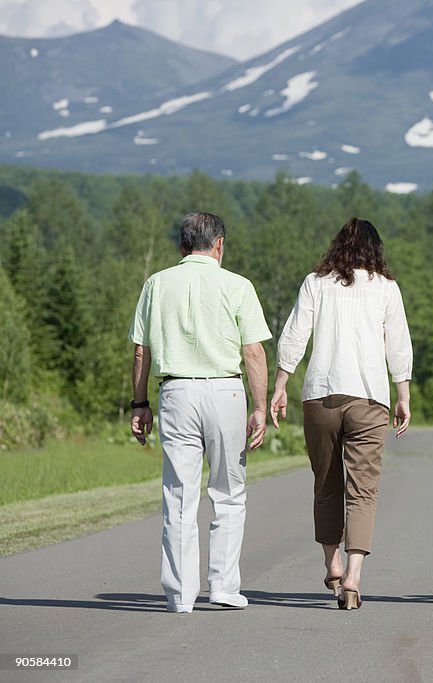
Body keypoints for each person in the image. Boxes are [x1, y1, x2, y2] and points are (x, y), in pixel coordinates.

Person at [129, 211, 271, 614]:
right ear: (220, 244)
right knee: (228, 492)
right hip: (225, 390)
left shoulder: (156, 284)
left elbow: (142, 350)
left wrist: (139, 403)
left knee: (179, 494)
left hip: (175, 391)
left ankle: (179, 594)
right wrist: (259, 407)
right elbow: (253, 351)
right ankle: (224, 587)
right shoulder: (238, 285)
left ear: (182, 245)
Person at [270, 218, 412, 610]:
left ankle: (331, 562)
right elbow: (397, 343)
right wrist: (403, 393)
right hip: (369, 398)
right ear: (376, 250)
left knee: (325, 482)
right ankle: (353, 575)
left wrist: (280, 384)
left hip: (321, 395)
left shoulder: (316, 283)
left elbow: (295, 334)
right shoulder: (386, 288)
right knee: (362, 489)